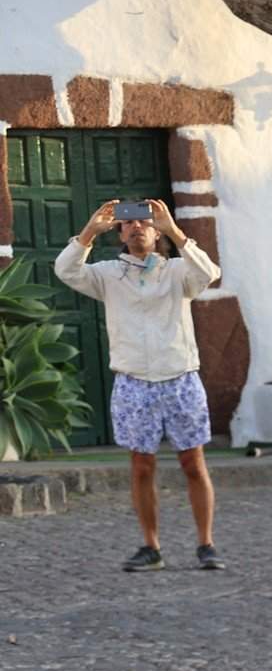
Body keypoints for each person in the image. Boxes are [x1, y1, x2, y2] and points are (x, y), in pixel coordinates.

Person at [55, 199, 224, 572]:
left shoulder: (178, 270)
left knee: (193, 463)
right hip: (133, 381)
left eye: (145, 222)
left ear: (156, 229)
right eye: (129, 223)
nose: (137, 228)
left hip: (180, 377)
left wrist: (175, 232)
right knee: (141, 466)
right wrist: (88, 232)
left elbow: (210, 274)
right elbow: (65, 270)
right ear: (120, 232)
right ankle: (151, 547)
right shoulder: (108, 274)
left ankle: (206, 544)